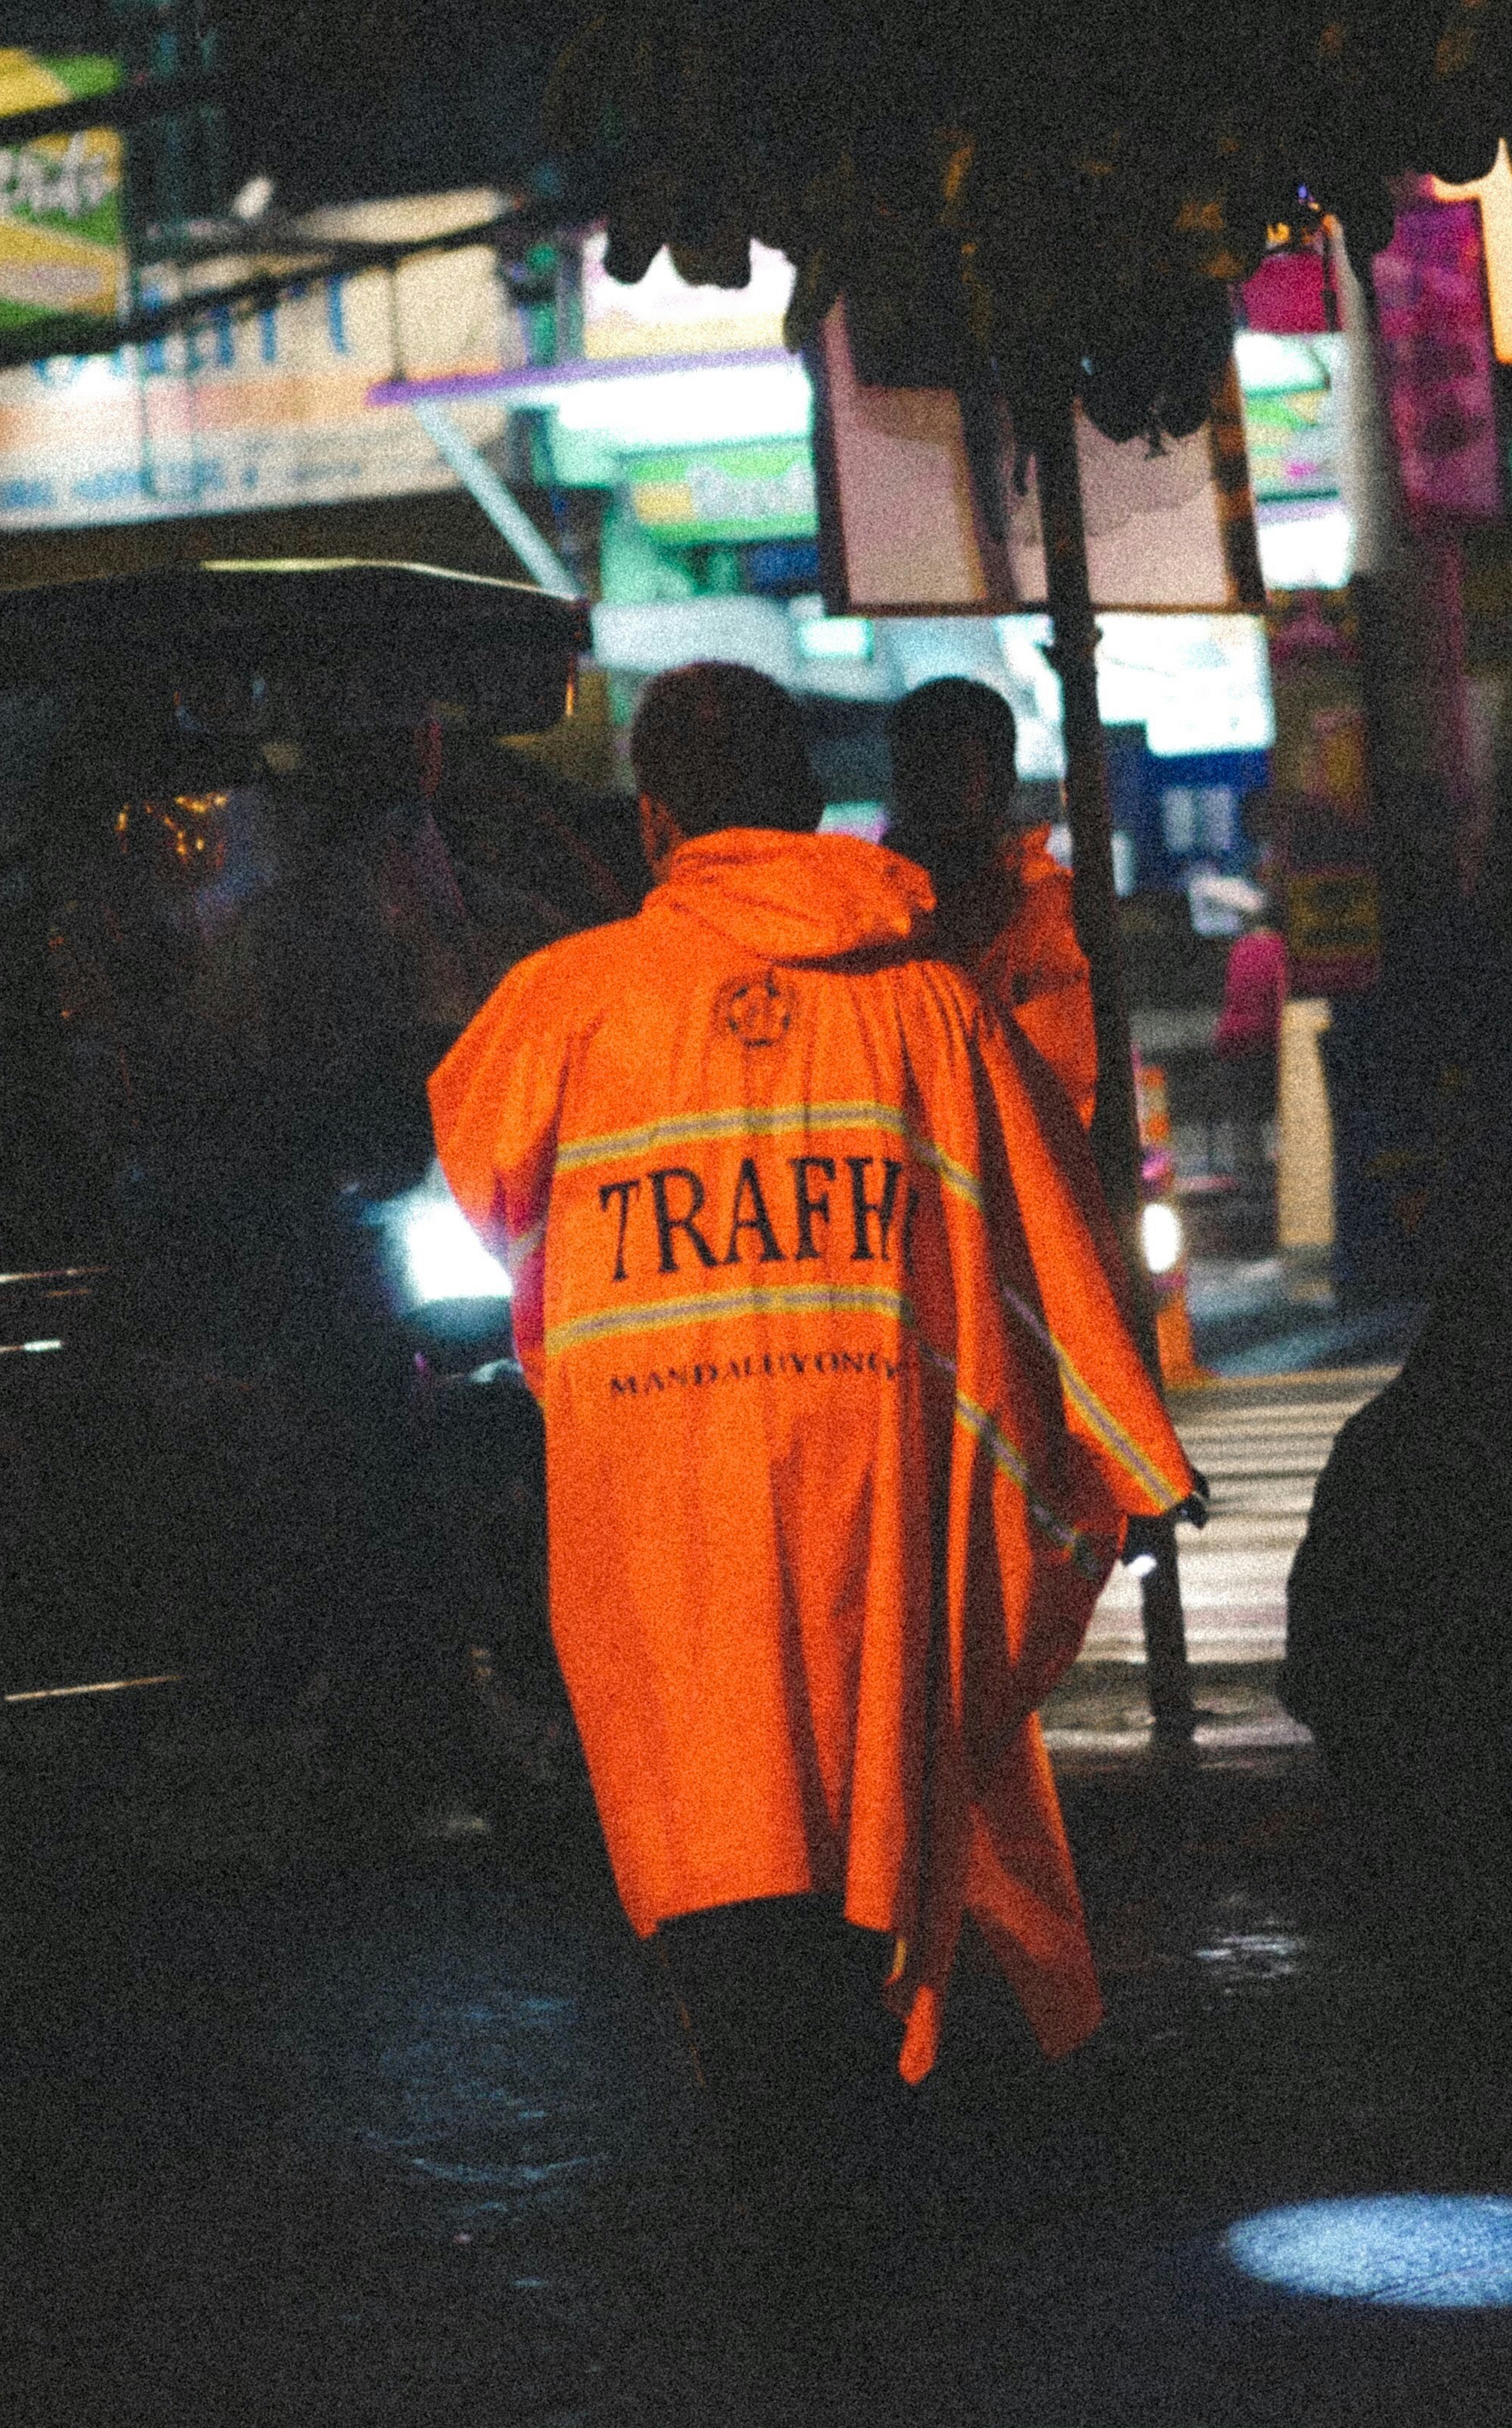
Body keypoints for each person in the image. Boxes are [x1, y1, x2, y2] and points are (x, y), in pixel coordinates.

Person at [429, 661, 1191, 2283]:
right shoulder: (924, 1003)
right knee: (870, 1823)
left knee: (717, 1855)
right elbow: (1043, 1244)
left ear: (652, 822)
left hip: (662, 1517)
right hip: (871, 1519)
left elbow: (481, 1170)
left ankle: (792, 2226)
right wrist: (1121, 1449)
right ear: (815, 806)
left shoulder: (564, 1007)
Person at [883, 677, 1100, 1128]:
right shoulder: (875, 908)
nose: (926, 796)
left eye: (948, 773)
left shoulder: (1045, 912)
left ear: (1001, 783)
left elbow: (1055, 1095)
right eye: (914, 773)